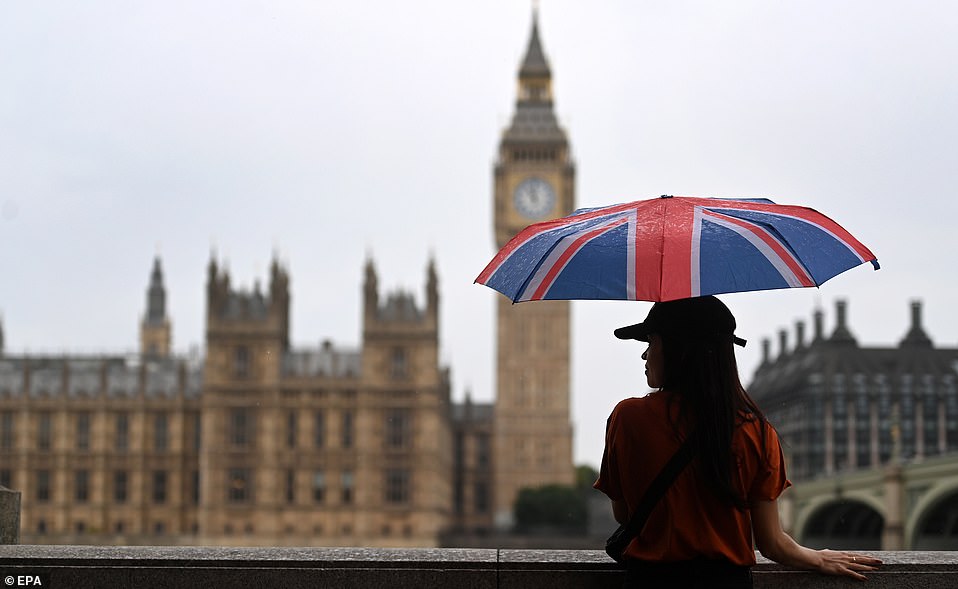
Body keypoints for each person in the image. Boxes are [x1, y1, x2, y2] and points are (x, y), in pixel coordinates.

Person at [594, 296, 882, 588]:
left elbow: (624, 514)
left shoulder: (628, 417)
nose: (645, 355)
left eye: (651, 342)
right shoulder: (756, 430)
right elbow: (771, 543)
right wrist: (820, 559)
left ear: (678, 349)